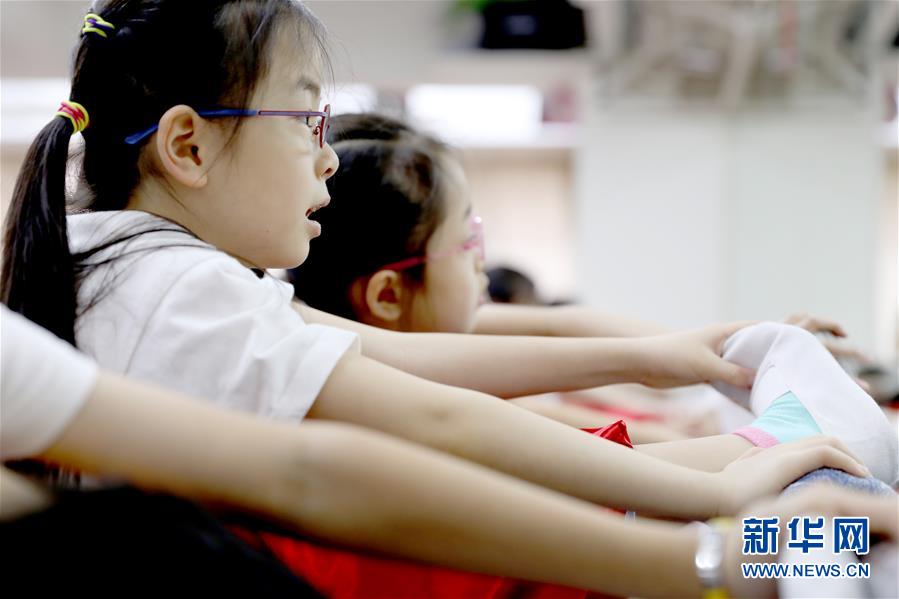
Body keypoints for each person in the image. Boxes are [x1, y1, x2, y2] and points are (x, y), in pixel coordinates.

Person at [4, 305, 897, 598]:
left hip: (630, 539)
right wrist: (724, 553)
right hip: (589, 552)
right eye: (305, 116)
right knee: (836, 528)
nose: (321, 159)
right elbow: (430, 416)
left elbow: (440, 353)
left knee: (835, 524)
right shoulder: (178, 295)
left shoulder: (185, 288)